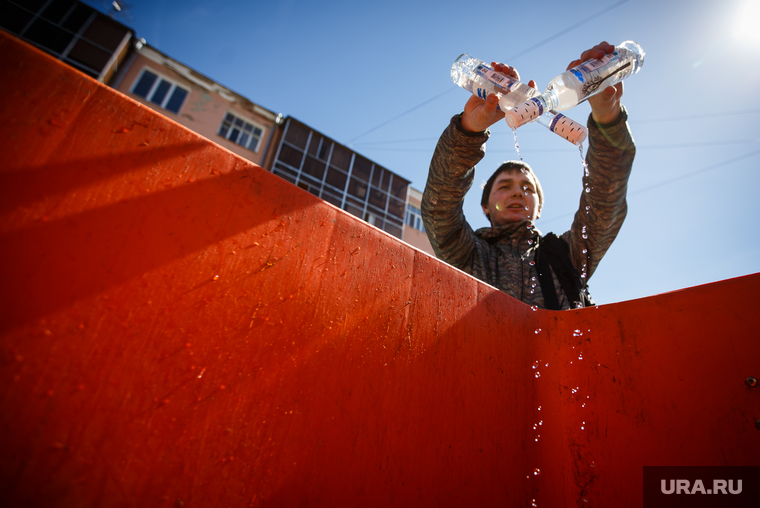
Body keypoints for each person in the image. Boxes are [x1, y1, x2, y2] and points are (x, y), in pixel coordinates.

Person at [421, 42, 636, 310]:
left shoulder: (568, 255)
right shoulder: (468, 255)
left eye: (527, 187)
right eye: (505, 186)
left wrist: (607, 115)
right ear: (485, 206)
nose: (517, 192)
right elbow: (437, 208)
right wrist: (468, 131)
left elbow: (606, 203)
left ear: (539, 207)